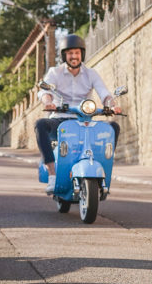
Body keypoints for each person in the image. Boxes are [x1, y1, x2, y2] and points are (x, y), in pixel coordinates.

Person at [35, 34, 122, 195]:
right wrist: (48, 102)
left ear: (82, 54)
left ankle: (104, 171)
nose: (74, 56)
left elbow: (104, 94)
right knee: (40, 125)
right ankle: (52, 174)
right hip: (60, 120)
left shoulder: (91, 73)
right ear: (64, 55)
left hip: (85, 120)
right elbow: (45, 92)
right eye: (70, 53)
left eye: (77, 52)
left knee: (112, 127)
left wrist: (111, 105)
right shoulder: (55, 72)